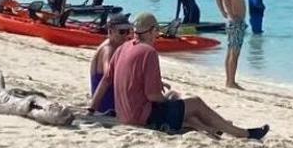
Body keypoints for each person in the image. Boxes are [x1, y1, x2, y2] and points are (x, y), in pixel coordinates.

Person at [89, 12, 269, 139]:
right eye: (156, 31)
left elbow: (105, 81)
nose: (157, 35)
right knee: (195, 103)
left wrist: (91, 109)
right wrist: (168, 101)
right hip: (141, 118)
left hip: (124, 115)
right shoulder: (149, 52)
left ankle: (214, 128)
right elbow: (153, 96)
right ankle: (243, 133)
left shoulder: (123, 48)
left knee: (185, 108)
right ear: (152, 31)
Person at [87, 13, 132, 116]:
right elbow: (109, 75)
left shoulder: (116, 46)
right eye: (122, 32)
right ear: (110, 31)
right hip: (106, 104)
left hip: (107, 99)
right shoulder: (108, 49)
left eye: (128, 31)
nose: (126, 35)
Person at [215, 0, 247, 89]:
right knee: (235, 53)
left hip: (233, 22)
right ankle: (231, 82)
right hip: (235, 23)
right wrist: (231, 14)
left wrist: (224, 13)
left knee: (231, 52)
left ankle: (229, 80)